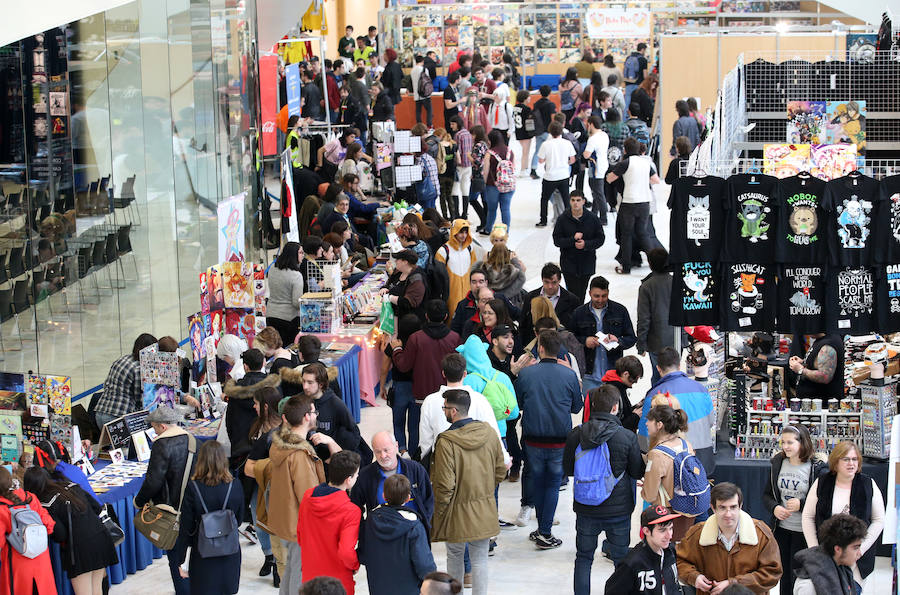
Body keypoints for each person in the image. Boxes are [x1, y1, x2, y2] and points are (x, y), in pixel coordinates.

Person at [563, 385, 643, 588]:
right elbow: (636, 472)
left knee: (583, 558)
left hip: (586, 507)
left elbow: (569, 470)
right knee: (621, 562)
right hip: (618, 510)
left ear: (592, 406)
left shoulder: (576, 435)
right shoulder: (627, 437)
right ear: (615, 407)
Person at [430, 389, 507, 595]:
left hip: (456, 513)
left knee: (455, 556)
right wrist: (485, 491)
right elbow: (501, 469)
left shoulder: (446, 442)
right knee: (480, 559)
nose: (444, 411)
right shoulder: (489, 432)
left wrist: (440, 513)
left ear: (453, 411)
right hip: (484, 508)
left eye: (445, 408)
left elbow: (445, 486)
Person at [515, 329, 583, 549]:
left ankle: (542, 530)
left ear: (540, 348)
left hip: (533, 437)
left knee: (537, 480)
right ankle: (544, 530)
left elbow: (519, 405)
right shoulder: (569, 375)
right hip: (559, 439)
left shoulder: (526, 374)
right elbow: (576, 407)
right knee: (553, 484)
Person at [268, 396, 335, 595]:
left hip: (286, 521)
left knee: (290, 570)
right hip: (301, 526)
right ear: (306, 417)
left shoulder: (280, 445)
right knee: (301, 577)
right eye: (314, 412)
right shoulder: (299, 455)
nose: (315, 416)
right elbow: (309, 496)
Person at [801, 441, 884, 588]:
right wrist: (815, 550)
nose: (851, 463)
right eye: (845, 459)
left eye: (854, 459)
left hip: (856, 561)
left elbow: (879, 520)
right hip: (825, 555)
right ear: (835, 462)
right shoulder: (822, 482)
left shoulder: (868, 484)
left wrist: (861, 548)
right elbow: (808, 517)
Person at [23, 466, 116, 595]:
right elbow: (96, 507)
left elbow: (61, 535)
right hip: (100, 537)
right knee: (97, 589)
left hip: (80, 548)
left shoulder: (45, 503)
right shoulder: (70, 486)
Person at [677, 483, 782, 595]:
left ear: (740, 506)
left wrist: (733, 583)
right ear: (713, 508)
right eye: (722, 507)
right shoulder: (696, 534)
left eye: (733, 507)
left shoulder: (761, 534)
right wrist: (694, 577)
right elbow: (680, 562)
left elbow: (772, 573)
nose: (728, 514)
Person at [135, 406, 195, 595]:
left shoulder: (162, 445)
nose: (154, 432)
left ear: (162, 426)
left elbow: (153, 481)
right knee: (190, 557)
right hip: (192, 508)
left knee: (176, 559)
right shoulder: (192, 440)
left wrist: (139, 501)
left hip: (171, 511)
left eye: (154, 428)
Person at [170, 441, 244, 595]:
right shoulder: (235, 485)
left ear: (201, 460)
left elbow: (186, 526)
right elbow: (240, 518)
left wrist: (180, 559)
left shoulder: (193, 487)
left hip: (202, 551)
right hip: (229, 550)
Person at [762, 425, 827, 595]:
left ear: (803, 443)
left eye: (790, 442)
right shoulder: (778, 463)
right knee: (784, 575)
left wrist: (802, 503)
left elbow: (824, 500)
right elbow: (767, 495)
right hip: (782, 529)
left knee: (800, 575)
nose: (785, 446)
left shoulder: (816, 467)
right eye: (783, 442)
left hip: (804, 531)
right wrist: (775, 508)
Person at [418, 354, 505, 468]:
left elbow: (426, 440)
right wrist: (504, 458)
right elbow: (494, 433)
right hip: (477, 463)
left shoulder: (429, 401)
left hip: (443, 462)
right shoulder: (480, 399)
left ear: (443, 373)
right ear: (465, 374)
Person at [638, 347, 716, 474]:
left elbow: (644, 435)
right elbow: (711, 422)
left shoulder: (654, 395)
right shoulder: (701, 389)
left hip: (669, 464)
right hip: (702, 460)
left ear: (658, 368)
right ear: (679, 365)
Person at [359, 473, 437, 595]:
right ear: (408, 498)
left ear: (383, 496)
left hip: (378, 586)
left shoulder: (370, 521)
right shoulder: (414, 526)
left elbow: (364, 553)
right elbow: (423, 563)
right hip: (409, 588)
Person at [298, 450, 362, 594]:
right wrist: (355, 564)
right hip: (337, 582)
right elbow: (346, 551)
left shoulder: (308, 496)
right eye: (357, 474)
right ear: (348, 479)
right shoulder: (351, 511)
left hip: (310, 575)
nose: (358, 477)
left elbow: (300, 534)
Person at [640, 404, 701, 541]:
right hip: (688, 509)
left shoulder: (657, 454)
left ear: (659, 424)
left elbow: (649, 495)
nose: (646, 423)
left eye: (649, 420)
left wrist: (645, 487)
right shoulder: (686, 445)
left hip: (667, 514)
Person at [351, 431, 434, 532]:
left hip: (413, 534)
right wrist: (365, 531)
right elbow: (354, 507)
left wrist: (423, 527)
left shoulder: (416, 470)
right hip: (381, 537)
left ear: (396, 446)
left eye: (386, 450)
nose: (383, 455)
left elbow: (429, 500)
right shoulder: (365, 476)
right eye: (378, 451)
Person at [244, 387, 283, 586]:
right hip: (256, 486)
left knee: (274, 524)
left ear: (266, 406)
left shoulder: (280, 431)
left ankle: (277, 562)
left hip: (276, 487)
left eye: (257, 403)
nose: (254, 406)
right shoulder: (257, 426)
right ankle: (268, 555)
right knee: (258, 522)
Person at [572, 275, 637, 393]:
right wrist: (584, 341)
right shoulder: (579, 313)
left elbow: (631, 338)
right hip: (589, 374)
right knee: (591, 409)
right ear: (589, 293)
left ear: (608, 292)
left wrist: (618, 341)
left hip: (614, 373)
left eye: (604, 296)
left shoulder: (620, 311)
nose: (600, 300)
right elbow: (570, 339)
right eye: (596, 296)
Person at [605, 137, 660, 275]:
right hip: (644, 203)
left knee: (627, 235)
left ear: (625, 149)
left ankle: (627, 267)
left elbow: (610, 178)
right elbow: (656, 180)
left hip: (629, 202)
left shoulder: (625, 163)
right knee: (643, 234)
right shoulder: (646, 163)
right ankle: (655, 266)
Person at [0, 467, 56, 595]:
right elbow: (49, 525)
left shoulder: (2, 508)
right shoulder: (30, 497)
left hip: (17, 565)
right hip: (41, 559)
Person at [603, 505, 683, 595]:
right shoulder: (633, 562)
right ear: (646, 531)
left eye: (671, 528)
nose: (669, 535)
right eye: (662, 530)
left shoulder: (670, 551)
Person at [223, 348, 278, 467]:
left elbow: (229, 421)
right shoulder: (273, 387)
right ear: (263, 363)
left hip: (240, 448)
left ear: (245, 366)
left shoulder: (235, 391)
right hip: (267, 448)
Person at [793, 514, 868, 595]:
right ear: (838, 549)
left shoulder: (843, 571)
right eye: (855, 548)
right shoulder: (809, 586)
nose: (859, 553)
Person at [94, 333, 157, 427]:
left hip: (100, 412)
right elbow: (140, 399)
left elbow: (106, 384)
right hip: (119, 416)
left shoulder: (122, 359)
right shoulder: (139, 368)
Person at [553, 191, 604, 302]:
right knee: (572, 293)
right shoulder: (562, 219)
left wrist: (586, 244)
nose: (576, 203)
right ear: (569, 201)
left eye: (578, 200)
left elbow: (600, 239)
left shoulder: (593, 218)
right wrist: (572, 240)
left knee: (582, 292)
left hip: (587, 263)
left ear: (583, 201)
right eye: (573, 200)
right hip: (569, 263)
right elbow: (557, 240)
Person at [636, 248, 676, 385]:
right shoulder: (676, 283)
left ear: (650, 263)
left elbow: (644, 319)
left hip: (656, 342)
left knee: (658, 376)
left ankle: (660, 404)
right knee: (673, 376)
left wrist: (641, 344)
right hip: (676, 339)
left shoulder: (647, 286)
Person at [519, 262, 583, 344]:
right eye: (547, 282)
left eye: (554, 282)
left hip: (561, 345)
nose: (550, 286)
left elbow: (575, 328)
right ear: (542, 280)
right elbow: (523, 325)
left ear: (559, 280)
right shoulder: (530, 297)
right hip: (534, 345)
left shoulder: (572, 300)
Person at [434, 220, 477, 318]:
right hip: (450, 293)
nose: (464, 235)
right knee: (453, 317)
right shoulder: (443, 251)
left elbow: (474, 268)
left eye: (466, 232)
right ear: (454, 232)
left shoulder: (470, 248)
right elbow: (438, 276)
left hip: (468, 292)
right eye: (461, 232)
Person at [536, 121, 575, 228]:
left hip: (550, 176)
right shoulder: (567, 143)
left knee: (544, 199)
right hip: (563, 175)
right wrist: (564, 163)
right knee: (566, 199)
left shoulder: (546, 144)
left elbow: (540, 160)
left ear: (550, 131)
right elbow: (572, 159)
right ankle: (569, 219)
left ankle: (543, 220)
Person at [266, 242, 305, 346]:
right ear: (293, 255)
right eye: (300, 253)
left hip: (271, 314)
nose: (303, 255)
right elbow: (296, 303)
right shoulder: (296, 275)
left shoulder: (273, 268)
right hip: (289, 319)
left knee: (274, 347)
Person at [790, 333, 845, 401]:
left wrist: (800, 369)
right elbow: (817, 364)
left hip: (821, 406)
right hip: (812, 404)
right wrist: (803, 362)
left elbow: (824, 376)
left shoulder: (828, 345)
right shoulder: (822, 340)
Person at [482, 129, 514, 232]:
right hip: (509, 184)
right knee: (505, 208)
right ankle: (506, 231)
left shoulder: (489, 153)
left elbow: (485, 171)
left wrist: (484, 184)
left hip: (493, 185)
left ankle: (488, 229)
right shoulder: (510, 151)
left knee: (492, 209)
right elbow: (514, 168)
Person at [583, 115, 610, 224]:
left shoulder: (592, 139)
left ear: (591, 124)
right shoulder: (604, 135)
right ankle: (594, 213)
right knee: (597, 191)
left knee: (598, 193)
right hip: (603, 164)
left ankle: (603, 218)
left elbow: (586, 154)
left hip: (595, 167)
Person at [530, 85, 557, 178]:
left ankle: (533, 169)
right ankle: (549, 169)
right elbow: (553, 119)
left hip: (538, 131)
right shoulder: (551, 105)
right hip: (548, 131)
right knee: (551, 150)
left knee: (537, 151)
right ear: (550, 93)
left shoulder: (536, 104)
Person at [449, 116, 472, 220]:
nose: (451, 126)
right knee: (465, 189)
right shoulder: (468, 133)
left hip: (459, 165)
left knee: (455, 189)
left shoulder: (457, 135)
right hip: (468, 165)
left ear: (457, 124)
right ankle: (465, 213)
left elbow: (457, 150)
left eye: (453, 124)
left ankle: (456, 214)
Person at [436, 128, 459, 220]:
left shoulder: (439, 146)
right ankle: (453, 217)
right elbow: (459, 160)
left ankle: (445, 217)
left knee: (442, 196)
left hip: (441, 174)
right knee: (450, 196)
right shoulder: (454, 145)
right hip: (451, 174)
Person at [513, 89, 536, 174]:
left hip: (518, 131)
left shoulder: (515, 107)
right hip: (525, 133)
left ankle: (525, 168)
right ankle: (523, 170)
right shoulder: (527, 109)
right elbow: (529, 121)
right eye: (528, 97)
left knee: (525, 151)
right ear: (525, 98)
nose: (530, 98)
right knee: (526, 152)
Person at [623, 42, 648, 110]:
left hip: (628, 83)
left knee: (627, 102)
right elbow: (645, 75)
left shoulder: (628, 57)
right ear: (643, 49)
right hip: (638, 84)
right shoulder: (643, 60)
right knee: (637, 102)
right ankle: (636, 118)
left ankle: (625, 118)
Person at [412, 55, 433, 128]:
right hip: (424, 93)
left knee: (418, 111)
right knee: (429, 110)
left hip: (416, 94)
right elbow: (428, 80)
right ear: (422, 61)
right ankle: (429, 125)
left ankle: (419, 126)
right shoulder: (424, 69)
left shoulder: (413, 70)